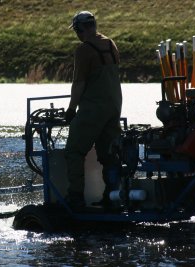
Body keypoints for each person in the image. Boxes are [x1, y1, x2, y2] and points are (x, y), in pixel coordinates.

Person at [64, 11, 122, 210]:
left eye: (77, 31)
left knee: (74, 150)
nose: (77, 34)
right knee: (110, 154)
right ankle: (113, 195)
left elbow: (79, 83)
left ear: (81, 29)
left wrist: (71, 109)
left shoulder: (84, 50)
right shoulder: (110, 43)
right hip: (114, 106)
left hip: (94, 108)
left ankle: (76, 196)